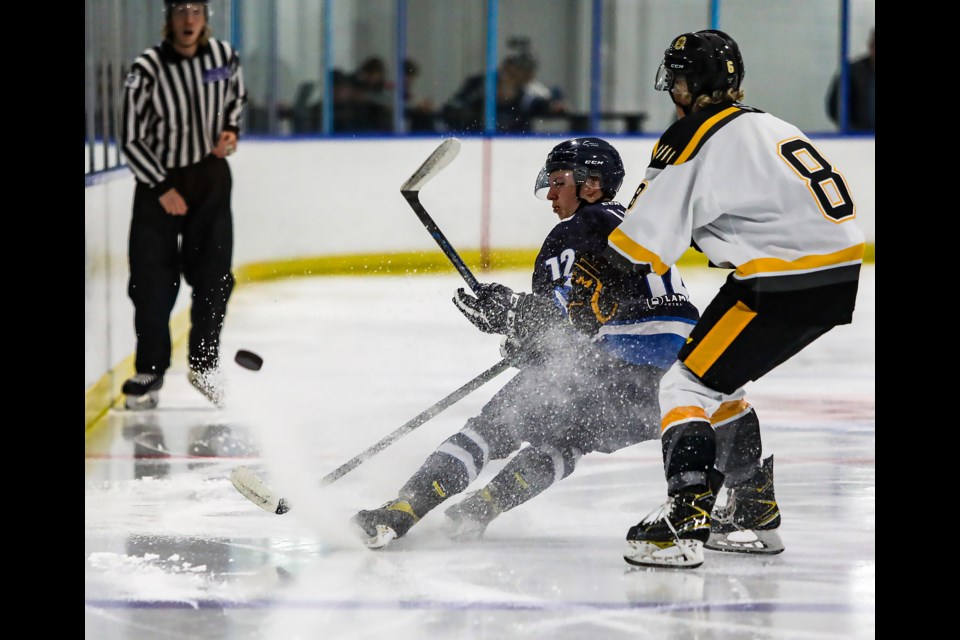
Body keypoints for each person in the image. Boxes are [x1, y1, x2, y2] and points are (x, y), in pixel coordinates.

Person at [351, 137, 703, 549]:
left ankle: (401, 511)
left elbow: (562, 316)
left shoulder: (582, 226)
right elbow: (578, 324)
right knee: (567, 439)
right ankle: (478, 510)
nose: (551, 195)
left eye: (559, 182)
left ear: (591, 184)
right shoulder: (635, 225)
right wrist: (524, 338)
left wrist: (512, 313)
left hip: (616, 363)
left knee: (490, 429)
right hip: (669, 389)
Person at [605, 30, 865, 569]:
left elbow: (638, 249)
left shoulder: (693, 135)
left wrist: (595, 280)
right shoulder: (769, 124)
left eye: (677, 78)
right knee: (722, 382)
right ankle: (751, 512)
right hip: (832, 274)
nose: (672, 89)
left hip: (779, 281)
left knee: (685, 385)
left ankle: (684, 520)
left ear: (692, 84)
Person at [119, 0, 247, 410]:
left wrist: (230, 132)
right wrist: (161, 186)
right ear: (168, 19)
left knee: (214, 277)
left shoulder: (224, 56)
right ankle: (150, 369)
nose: (188, 19)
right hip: (160, 182)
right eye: (180, 11)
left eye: (196, 10)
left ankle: (204, 365)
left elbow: (235, 100)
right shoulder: (147, 68)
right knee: (151, 282)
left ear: (205, 16)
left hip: (209, 178)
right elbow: (130, 137)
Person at [826, 28, 875, 132]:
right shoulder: (852, 72)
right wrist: (852, 131)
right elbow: (835, 107)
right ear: (870, 46)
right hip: (858, 137)